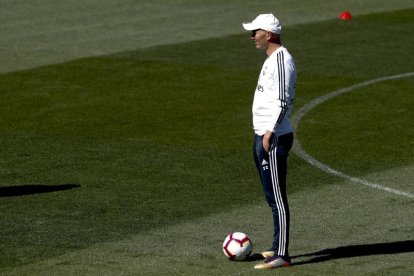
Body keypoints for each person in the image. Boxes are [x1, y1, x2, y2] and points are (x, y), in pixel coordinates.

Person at [242, 13, 297, 269]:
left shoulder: (282, 60)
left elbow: (284, 100)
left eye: (256, 31)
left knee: (277, 196)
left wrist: (270, 132)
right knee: (269, 195)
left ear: (270, 34)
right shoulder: (271, 60)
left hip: (273, 137)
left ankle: (283, 255)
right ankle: (277, 246)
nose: (252, 36)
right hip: (263, 135)